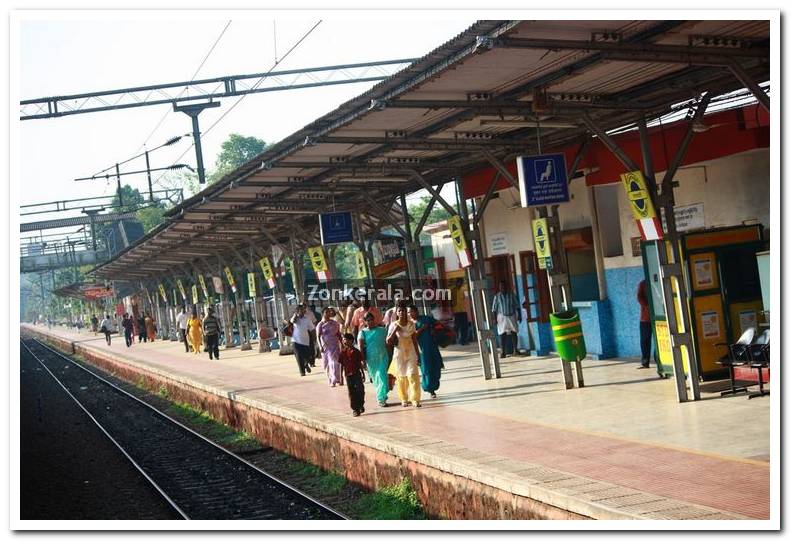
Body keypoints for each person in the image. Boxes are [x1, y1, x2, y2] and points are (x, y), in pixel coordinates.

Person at [387, 303, 422, 408]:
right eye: (399, 311)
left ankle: (415, 399)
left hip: (411, 352)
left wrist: (418, 354)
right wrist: (395, 330)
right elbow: (388, 341)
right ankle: (404, 399)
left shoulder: (411, 324)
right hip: (399, 354)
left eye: (403, 311)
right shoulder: (393, 324)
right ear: (397, 313)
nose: (401, 313)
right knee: (401, 377)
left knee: (413, 375)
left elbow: (414, 339)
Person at [409, 305, 443, 399]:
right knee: (426, 369)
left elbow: (437, 325)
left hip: (432, 347)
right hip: (421, 350)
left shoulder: (426, 318)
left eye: (412, 311)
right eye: (409, 312)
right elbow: (412, 336)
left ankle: (435, 385)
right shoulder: (410, 324)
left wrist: (433, 329)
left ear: (417, 311)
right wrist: (422, 328)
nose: (410, 314)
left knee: (436, 366)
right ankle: (429, 388)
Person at [358, 311, 390, 407]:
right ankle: (382, 396)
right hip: (371, 359)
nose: (370, 322)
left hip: (383, 356)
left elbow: (387, 343)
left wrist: (390, 354)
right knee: (376, 378)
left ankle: (381, 398)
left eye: (372, 320)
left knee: (382, 376)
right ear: (365, 322)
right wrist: (362, 360)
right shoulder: (362, 332)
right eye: (368, 320)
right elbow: (360, 346)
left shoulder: (382, 330)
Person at [491, 280, 521, 358]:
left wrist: (519, 315)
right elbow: (494, 309)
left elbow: (517, 306)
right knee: (502, 334)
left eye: (504, 286)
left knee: (514, 332)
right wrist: (495, 319)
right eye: (501, 286)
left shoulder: (512, 295)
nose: (502, 288)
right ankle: (503, 352)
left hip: (511, 315)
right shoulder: (497, 296)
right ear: (499, 288)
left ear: (507, 287)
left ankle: (515, 350)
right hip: (501, 317)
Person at [339, 333, 366, 416]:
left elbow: (359, 363)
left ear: (351, 341)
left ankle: (361, 404)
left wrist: (363, 373)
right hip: (348, 375)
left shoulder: (356, 351)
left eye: (346, 339)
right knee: (351, 392)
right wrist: (341, 377)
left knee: (360, 390)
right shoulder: (342, 352)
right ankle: (355, 409)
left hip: (357, 374)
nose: (344, 341)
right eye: (343, 339)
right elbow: (341, 364)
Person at [316, 307, 343, 387]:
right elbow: (318, 336)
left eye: (329, 312)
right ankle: (331, 379)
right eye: (326, 312)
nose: (329, 314)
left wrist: (342, 343)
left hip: (334, 345)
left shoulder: (334, 323)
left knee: (335, 362)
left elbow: (338, 334)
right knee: (327, 364)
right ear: (323, 313)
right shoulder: (320, 324)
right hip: (325, 347)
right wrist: (320, 346)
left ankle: (336, 379)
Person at [290, 304, 315, 376]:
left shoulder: (307, 319)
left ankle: (306, 364)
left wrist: (314, 338)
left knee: (307, 356)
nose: (303, 311)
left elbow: (312, 329)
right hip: (295, 341)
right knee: (298, 356)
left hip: (305, 341)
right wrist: (295, 315)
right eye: (301, 310)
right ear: (297, 311)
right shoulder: (295, 318)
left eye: (303, 310)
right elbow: (292, 321)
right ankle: (302, 372)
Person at [637, 279, 653, 369]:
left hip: (657, 317)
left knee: (659, 341)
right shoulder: (643, 283)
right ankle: (645, 362)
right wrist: (647, 306)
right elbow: (639, 297)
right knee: (644, 341)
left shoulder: (657, 282)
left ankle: (660, 361)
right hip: (645, 318)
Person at [452, 278, 470, 346]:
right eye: (459, 282)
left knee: (464, 327)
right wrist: (452, 312)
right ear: (456, 283)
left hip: (463, 311)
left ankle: (463, 341)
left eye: (461, 282)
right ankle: (452, 340)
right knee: (456, 327)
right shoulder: (453, 291)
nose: (460, 284)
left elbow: (465, 300)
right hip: (456, 312)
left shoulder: (463, 290)